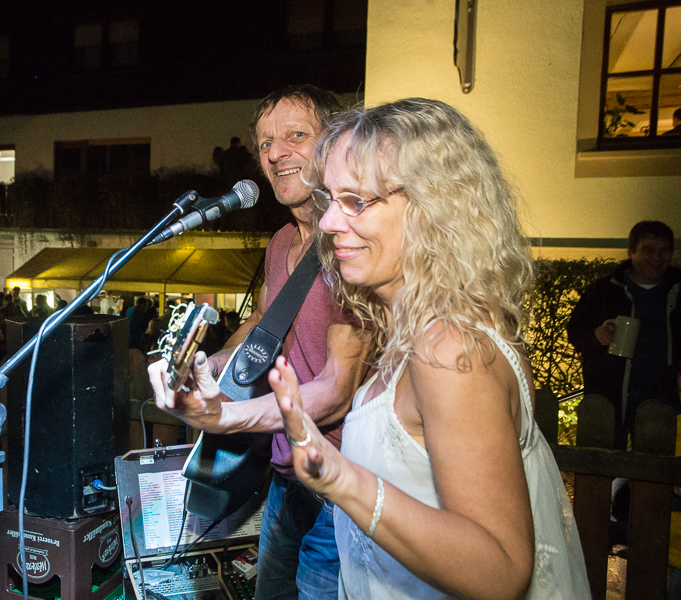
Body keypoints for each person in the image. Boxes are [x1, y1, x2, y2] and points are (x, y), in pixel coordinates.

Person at [247, 100, 589, 598]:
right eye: (330, 199)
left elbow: (499, 568)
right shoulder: (414, 330)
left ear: (433, 208)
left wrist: (342, 479)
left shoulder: (449, 348)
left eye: (355, 201)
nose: (329, 221)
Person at [149, 85, 373, 600]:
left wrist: (226, 417)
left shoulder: (352, 245)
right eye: (266, 143)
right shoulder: (281, 242)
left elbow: (336, 390)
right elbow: (263, 323)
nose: (275, 154)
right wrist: (212, 362)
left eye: (296, 136)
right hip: (285, 480)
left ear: (334, 143)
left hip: (341, 488)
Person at [567, 220, 681, 450]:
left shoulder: (678, 292)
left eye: (664, 250)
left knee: (654, 463)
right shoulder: (604, 290)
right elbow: (576, 331)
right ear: (631, 252)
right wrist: (596, 337)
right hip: (610, 394)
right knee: (604, 460)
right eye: (648, 250)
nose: (657, 258)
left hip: (662, 395)